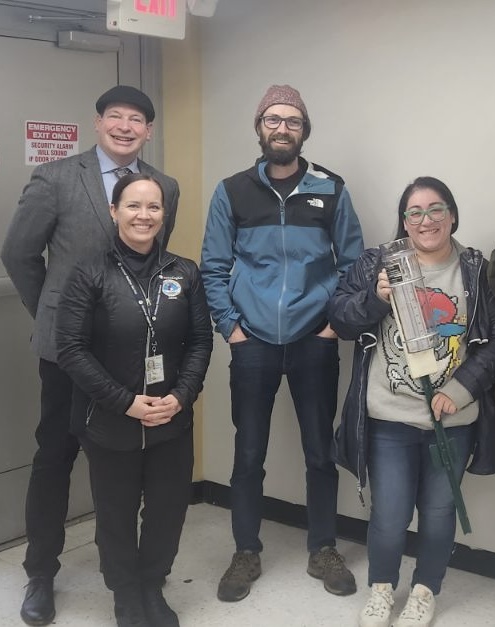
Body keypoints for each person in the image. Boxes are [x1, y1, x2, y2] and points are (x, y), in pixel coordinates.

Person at [1, 85, 180, 626]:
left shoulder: (162, 186)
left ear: (149, 130)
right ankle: (40, 573)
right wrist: (56, 315)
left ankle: (138, 582)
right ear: (98, 123)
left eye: (137, 120)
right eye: (115, 117)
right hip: (66, 354)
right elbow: (19, 253)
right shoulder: (56, 177)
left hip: (133, 357)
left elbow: (151, 257)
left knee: (128, 466)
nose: (126, 127)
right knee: (54, 458)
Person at [200, 84, 364, 602]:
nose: (282, 128)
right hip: (253, 344)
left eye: (292, 121)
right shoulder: (232, 191)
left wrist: (334, 325)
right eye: (273, 119)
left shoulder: (331, 189)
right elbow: (213, 266)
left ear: (304, 131)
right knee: (248, 454)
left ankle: (324, 548)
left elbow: (355, 264)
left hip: (315, 339)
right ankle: (246, 551)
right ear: (259, 127)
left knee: (320, 452)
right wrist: (232, 328)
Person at [328, 177, 495, 627]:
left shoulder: (474, 268)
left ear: (452, 215)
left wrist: (458, 389)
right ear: (404, 220)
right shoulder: (380, 262)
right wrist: (375, 298)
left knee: (438, 512)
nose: (425, 220)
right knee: (389, 515)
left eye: (435, 209)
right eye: (415, 212)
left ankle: (426, 590)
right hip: (390, 418)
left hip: (453, 421)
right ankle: (382, 589)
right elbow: (339, 316)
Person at [55, 173, 212, 627]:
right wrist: (124, 401)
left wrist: (181, 397)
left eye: (154, 207)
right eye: (133, 206)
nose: (144, 216)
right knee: (116, 514)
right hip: (110, 421)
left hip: (171, 420)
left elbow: (201, 341)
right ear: (114, 211)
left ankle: (152, 584)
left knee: (167, 510)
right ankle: (125, 593)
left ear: (164, 215)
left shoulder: (185, 272)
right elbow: (71, 349)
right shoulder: (89, 272)